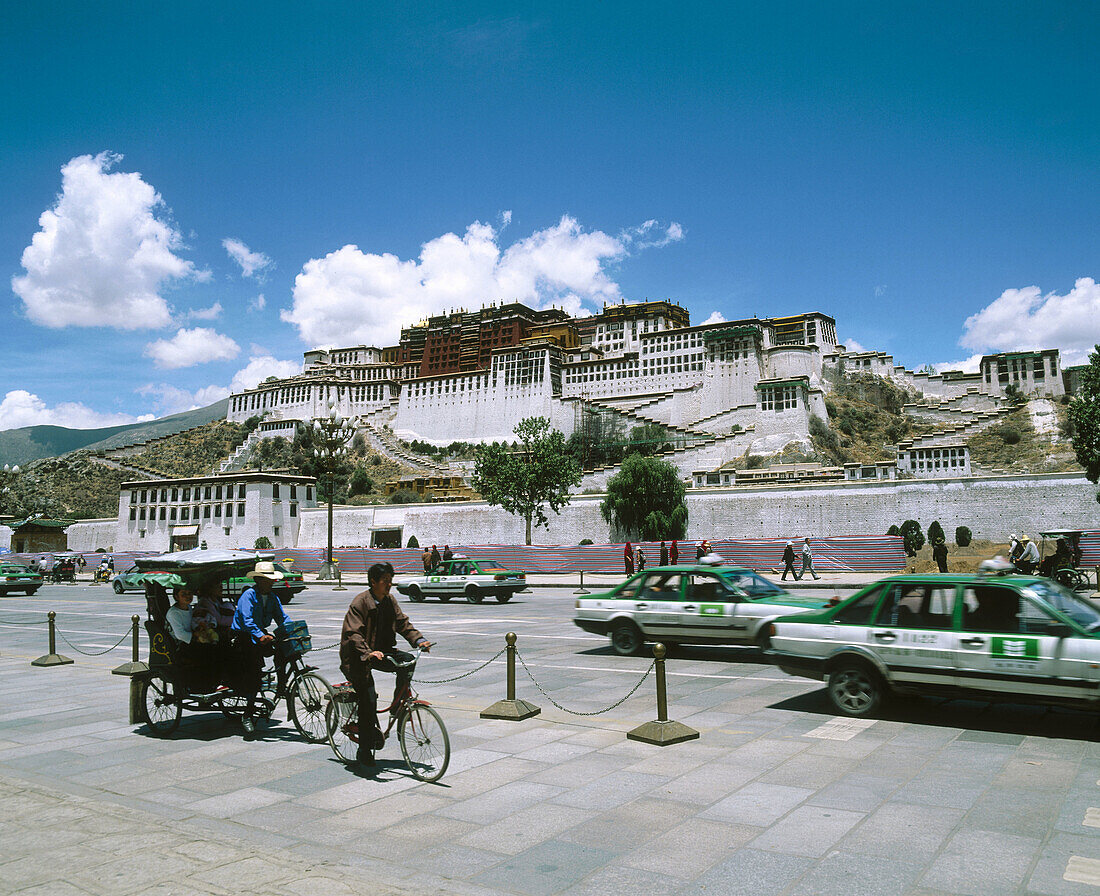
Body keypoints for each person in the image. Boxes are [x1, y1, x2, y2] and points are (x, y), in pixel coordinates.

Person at [339, 562, 432, 766]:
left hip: (383, 652)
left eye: (391, 580)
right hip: (358, 656)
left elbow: (402, 623)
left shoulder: (389, 600)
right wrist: (368, 652)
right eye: (385, 581)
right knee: (368, 700)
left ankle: (397, 705)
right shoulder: (360, 603)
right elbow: (353, 633)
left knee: (407, 661)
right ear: (373, 582)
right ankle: (364, 750)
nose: (389, 585)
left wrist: (419, 640)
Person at [231, 561, 293, 738]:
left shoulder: (273, 598)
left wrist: (292, 630)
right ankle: (248, 714)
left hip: (260, 635)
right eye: (266, 580)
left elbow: (282, 617)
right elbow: (247, 620)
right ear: (258, 580)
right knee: (254, 673)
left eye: (271, 580)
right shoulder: (248, 595)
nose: (270, 583)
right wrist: (260, 635)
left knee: (284, 650)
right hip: (244, 637)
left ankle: (281, 684)